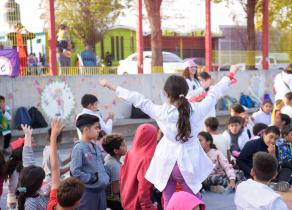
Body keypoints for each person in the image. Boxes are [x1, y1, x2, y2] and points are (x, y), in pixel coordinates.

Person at [99, 65, 239, 209]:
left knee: (168, 201)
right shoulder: (198, 109)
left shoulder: (161, 112)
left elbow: (138, 99)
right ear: (186, 92)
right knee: (191, 201)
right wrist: (231, 74)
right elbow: (214, 92)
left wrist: (111, 86)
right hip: (188, 163)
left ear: (166, 94)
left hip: (166, 163)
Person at [70, 114, 110, 210]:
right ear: (86, 130)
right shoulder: (79, 148)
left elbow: (101, 164)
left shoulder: (95, 145)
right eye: (96, 128)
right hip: (88, 193)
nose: (99, 130)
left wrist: (106, 175)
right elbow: (75, 172)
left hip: (100, 191)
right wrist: (93, 178)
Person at [237, 126, 291, 191]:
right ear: (264, 134)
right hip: (255, 173)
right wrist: (249, 170)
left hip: (268, 173)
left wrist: (272, 154)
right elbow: (239, 160)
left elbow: (276, 168)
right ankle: (270, 184)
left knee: (286, 170)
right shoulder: (252, 144)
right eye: (271, 137)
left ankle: (279, 184)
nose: (273, 141)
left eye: (276, 139)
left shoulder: (275, 147)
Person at [47, 118, 85, 210]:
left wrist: (53, 136)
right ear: (77, 203)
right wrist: (53, 136)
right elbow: (55, 169)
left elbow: (55, 168)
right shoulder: (52, 203)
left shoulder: (52, 205)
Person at [119, 124, 158, 210]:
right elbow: (144, 186)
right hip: (138, 204)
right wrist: (147, 206)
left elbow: (122, 174)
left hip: (127, 198)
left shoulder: (131, 152)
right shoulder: (147, 158)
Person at [17, 124, 48, 210]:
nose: (43, 182)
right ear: (36, 184)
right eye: (42, 180)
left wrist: (27, 136)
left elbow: (28, 160)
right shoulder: (31, 202)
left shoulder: (37, 193)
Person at [42, 128, 71, 196]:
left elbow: (59, 164)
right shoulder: (53, 151)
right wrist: (71, 167)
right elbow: (58, 171)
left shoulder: (46, 148)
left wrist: (70, 158)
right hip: (52, 182)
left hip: (48, 180)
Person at [102, 133, 127, 210]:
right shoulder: (114, 165)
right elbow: (115, 191)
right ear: (116, 151)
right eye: (123, 145)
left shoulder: (109, 157)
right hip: (113, 201)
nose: (126, 147)